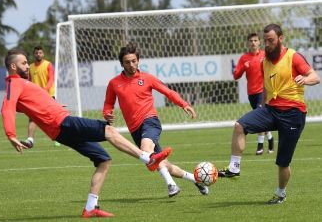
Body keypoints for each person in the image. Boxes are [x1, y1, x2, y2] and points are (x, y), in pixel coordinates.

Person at [1, 49, 172, 218]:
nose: (27, 66)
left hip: (60, 129)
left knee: (103, 160)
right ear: (13, 66)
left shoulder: (21, 84)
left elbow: (27, 105)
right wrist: (11, 134)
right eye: (23, 63)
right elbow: (7, 107)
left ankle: (91, 207)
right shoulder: (13, 83)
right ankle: (147, 159)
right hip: (62, 123)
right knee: (108, 130)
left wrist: (52, 106)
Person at [218, 24, 320, 204]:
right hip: (271, 110)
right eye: (265, 41)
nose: (267, 44)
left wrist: (305, 79)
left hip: (293, 114)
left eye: (271, 40)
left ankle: (280, 193)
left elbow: (315, 76)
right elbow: (266, 86)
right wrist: (262, 107)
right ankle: (234, 167)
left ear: (281, 39)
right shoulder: (264, 62)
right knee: (239, 125)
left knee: (282, 163)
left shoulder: (293, 56)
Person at [103, 43, 209, 198]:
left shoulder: (147, 78)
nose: (131, 64)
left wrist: (184, 104)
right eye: (127, 62)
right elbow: (108, 103)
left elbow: (168, 92)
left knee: (147, 151)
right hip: (135, 129)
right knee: (162, 163)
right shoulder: (114, 83)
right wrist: (107, 113)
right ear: (122, 63)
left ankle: (171, 185)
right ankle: (195, 179)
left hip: (150, 121)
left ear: (138, 60)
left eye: (134, 61)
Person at [233, 33, 274, 155]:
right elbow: (236, 76)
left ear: (259, 42)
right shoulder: (244, 58)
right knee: (260, 118)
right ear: (247, 43)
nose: (253, 43)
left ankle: (260, 146)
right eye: (251, 40)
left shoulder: (265, 55)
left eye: (255, 40)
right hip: (251, 93)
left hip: (263, 91)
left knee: (259, 116)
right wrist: (243, 68)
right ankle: (270, 139)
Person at [21, 46, 60, 147]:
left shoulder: (48, 64)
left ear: (43, 54)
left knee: (54, 119)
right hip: (35, 98)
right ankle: (30, 140)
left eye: (40, 53)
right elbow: (29, 82)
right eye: (36, 53)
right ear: (34, 54)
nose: (38, 54)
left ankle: (59, 138)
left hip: (48, 96)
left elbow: (51, 79)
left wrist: (45, 90)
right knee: (32, 118)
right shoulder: (30, 67)